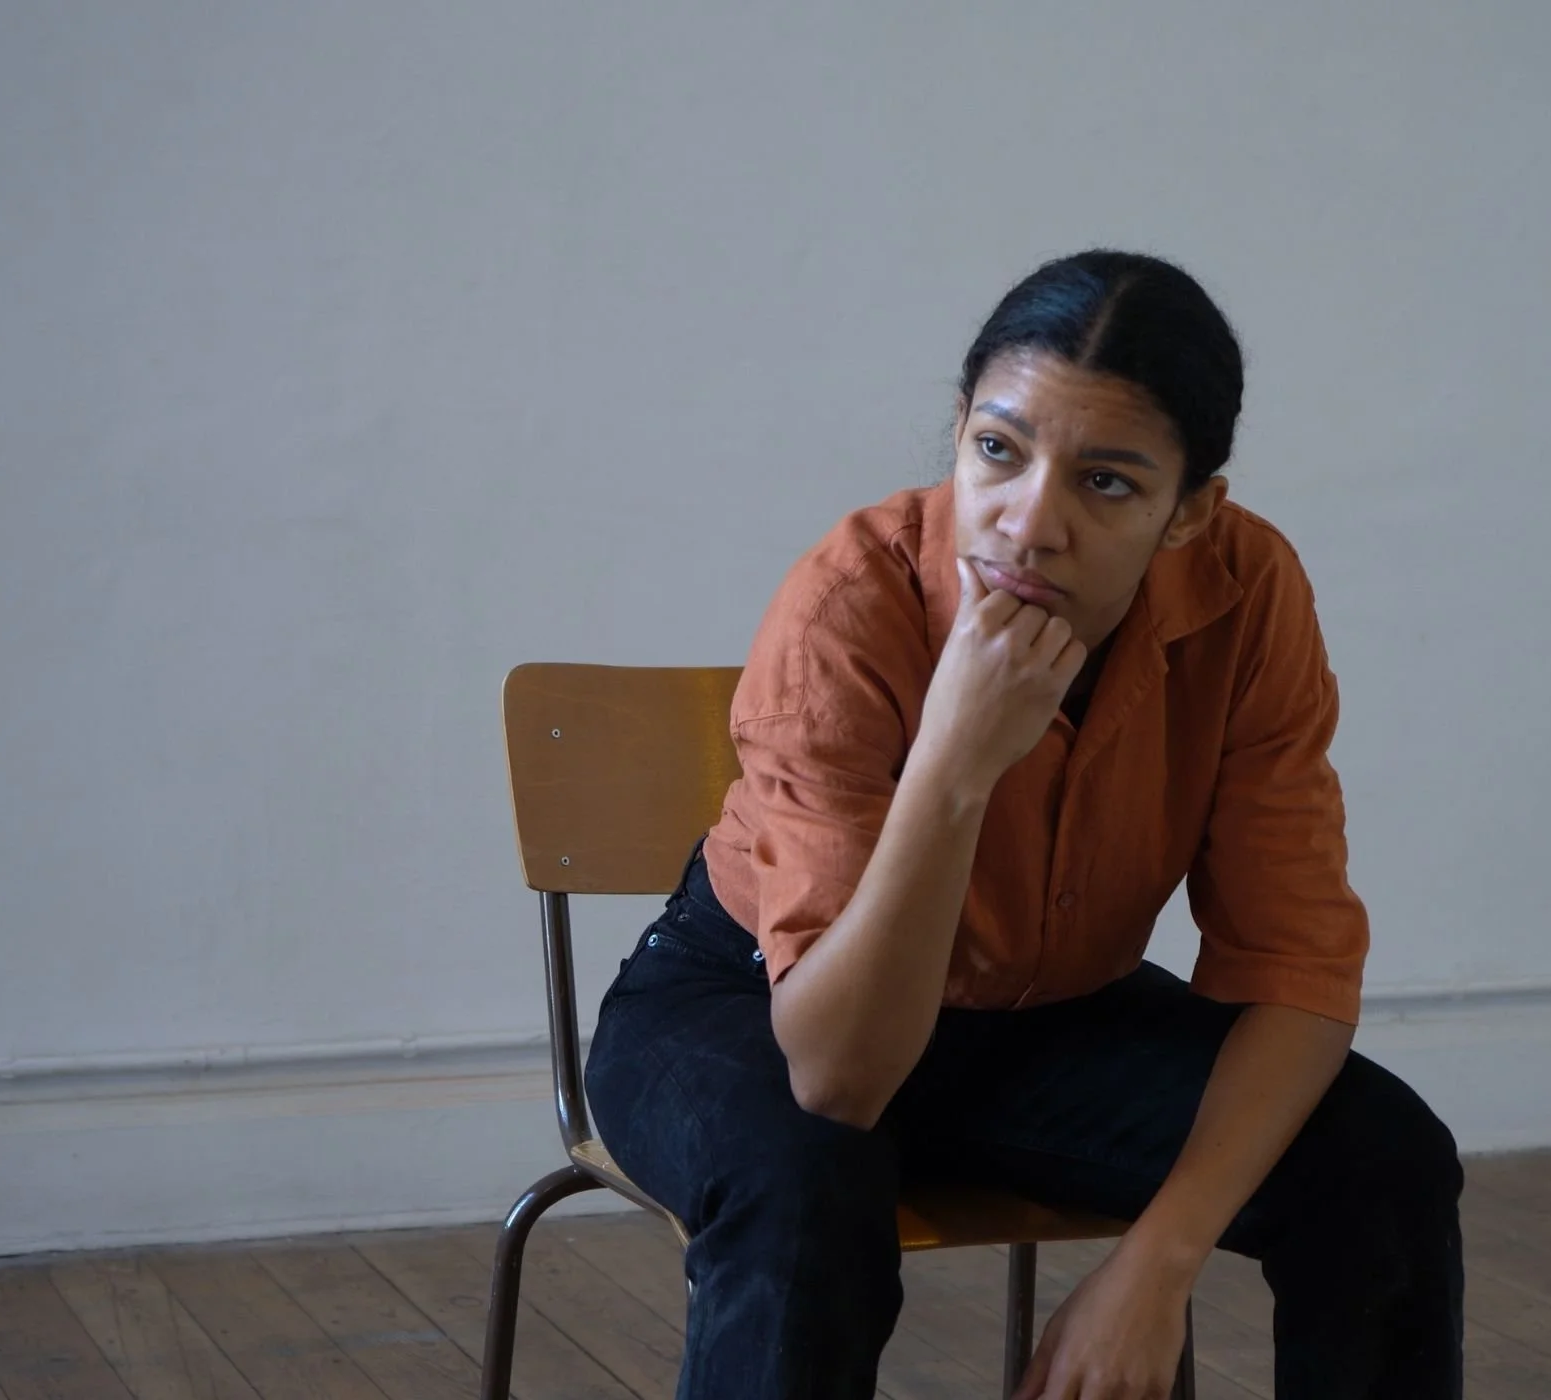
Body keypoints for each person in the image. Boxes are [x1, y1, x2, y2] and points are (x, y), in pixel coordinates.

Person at [584, 249, 1464, 1399]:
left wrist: (1161, 1258)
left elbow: (1297, 965)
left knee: (1382, 1158)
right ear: (958, 428)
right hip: (758, 1003)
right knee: (807, 1188)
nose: (1030, 523)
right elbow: (842, 1076)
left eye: (1107, 483)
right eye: (999, 449)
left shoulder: (1250, 598)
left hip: (1049, 1014)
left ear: (1193, 509)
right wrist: (953, 761)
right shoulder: (852, 601)